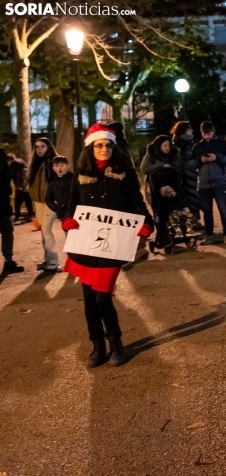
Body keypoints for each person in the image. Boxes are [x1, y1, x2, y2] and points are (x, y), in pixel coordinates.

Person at [61, 124, 154, 368]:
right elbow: (72, 205)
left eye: (108, 145)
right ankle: (98, 346)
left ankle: (117, 345)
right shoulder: (80, 175)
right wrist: (67, 220)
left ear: (114, 147)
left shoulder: (125, 173)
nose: (104, 149)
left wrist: (146, 221)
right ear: (91, 148)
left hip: (112, 248)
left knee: (103, 299)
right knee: (89, 300)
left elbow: (137, 203)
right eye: (99, 145)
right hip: (85, 248)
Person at [189, 121, 226, 245]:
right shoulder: (197, 147)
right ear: (201, 133)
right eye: (204, 133)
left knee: (223, 210)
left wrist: (217, 157)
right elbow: (190, 163)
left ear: (213, 131)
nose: (207, 136)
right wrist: (200, 160)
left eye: (209, 133)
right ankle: (209, 235)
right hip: (203, 185)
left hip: (219, 183)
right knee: (207, 212)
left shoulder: (221, 144)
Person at [26, 137, 60, 271]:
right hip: (38, 200)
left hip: (50, 201)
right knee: (43, 231)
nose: (39, 149)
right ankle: (48, 260)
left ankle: (53, 262)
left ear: (49, 147)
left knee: (46, 230)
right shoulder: (35, 162)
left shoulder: (54, 161)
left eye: (43, 146)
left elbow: (61, 179)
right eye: (37, 147)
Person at [171, 121, 203, 231]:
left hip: (191, 176)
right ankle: (190, 223)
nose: (192, 131)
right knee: (188, 200)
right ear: (184, 131)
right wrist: (199, 161)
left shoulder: (187, 142)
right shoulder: (179, 145)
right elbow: (183, 162)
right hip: (185, 177)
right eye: (189, 129)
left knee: (193, 199)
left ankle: (195, 221)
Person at [0, 146, 24, 275]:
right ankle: (8, 261)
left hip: (2, 202)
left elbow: (5, 176)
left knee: (7, 231)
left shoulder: (1, 153)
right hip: (3, 201)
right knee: (7, 231)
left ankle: (8, 261)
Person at [7, 153, 33, 224]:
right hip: (26, 185)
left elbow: (10, 175)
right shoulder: (22, 162)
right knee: (28, 201)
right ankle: (31, 215)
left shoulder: (14, 164)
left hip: (20, 186)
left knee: (17, 202)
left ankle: (17, 217)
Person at [45, 156, 74, 221]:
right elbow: (48, 200)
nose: (59, 168)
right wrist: (57, 209)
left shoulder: (74, 179)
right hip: (63, 214)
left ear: (68, 166)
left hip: (76, 211)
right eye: (56, 166)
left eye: (62, 165)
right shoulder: (52, 183)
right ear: (53, 168)